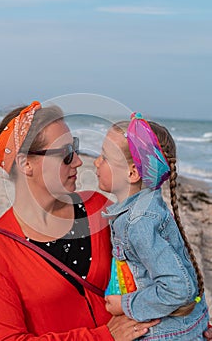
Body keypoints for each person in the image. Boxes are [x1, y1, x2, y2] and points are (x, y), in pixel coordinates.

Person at [0, 102, 160, 341]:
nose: (78, 161)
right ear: (25, 163)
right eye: (66, 154)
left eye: (76, 148)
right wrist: (104, 336)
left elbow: (154, 269)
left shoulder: (98, 207)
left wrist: (189, 322)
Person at [94, 112, 211, 340]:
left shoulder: (139, 222)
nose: (96, 162)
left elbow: (177, 287)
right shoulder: (146, 206)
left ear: (133, 173)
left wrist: (125, 305)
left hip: (167, 334)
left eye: (104, 156)